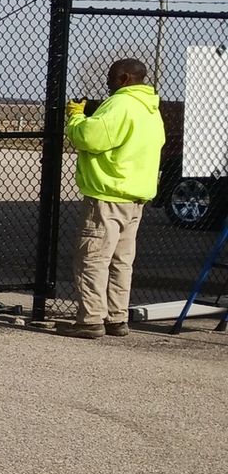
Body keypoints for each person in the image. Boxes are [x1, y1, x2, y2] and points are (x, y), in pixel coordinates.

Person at [58, 57, 166, 338]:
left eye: (111, 77)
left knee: (92, 258)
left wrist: (76, 117)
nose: (107, 82)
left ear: (125, 78)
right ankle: (117, 317)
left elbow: (90, 138)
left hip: (108, 194)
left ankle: (91, 319)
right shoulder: (150, 107)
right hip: (135, 196)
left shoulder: (121, 104)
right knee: (121, 261)